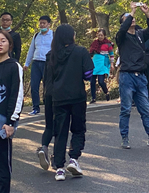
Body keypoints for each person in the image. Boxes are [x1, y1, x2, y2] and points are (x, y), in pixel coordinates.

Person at [116, 2, 149, 149]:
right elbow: (122, 29)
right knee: (126, 109)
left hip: (141, 76)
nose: (132, 19)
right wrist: (131, 12)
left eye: (132, 17)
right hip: (127, 76)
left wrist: (147, 13)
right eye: (128, 18)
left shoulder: (140, 35)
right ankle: (124, 138)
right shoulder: (121, 37)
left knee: (145, 109)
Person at [48, 24, 94, 181]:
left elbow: (49, 79)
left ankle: (59, 168)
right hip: (77, 96)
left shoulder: (51, 55)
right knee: (78, 129)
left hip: (58, 98)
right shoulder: (80, 51)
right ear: (72, 36)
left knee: (60, 132)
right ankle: (74, 159)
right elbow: (88, 74)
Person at [0, 30, 24, 193]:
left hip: (1, 123)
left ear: (10, 44)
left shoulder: (14, 66)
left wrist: (11, 122)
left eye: (3, 41)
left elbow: (17, 95)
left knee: (1, 167)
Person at [24, 15, 53, 115]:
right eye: (40, 23)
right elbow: (31, 50)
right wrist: (27, 63)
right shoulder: (36, 36)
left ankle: (48, 106)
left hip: (47, 63)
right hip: (36, 63)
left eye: (44, 23)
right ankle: (35, 107)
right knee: (34, 86)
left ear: (49, 24)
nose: (41, 25)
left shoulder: (53, 35)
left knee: (47, 86)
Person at [89, 29, 114, 103]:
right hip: (95, 62)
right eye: (99, 35)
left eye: (101, 35)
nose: (100, 37)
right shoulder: (94, 43)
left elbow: (111, 55)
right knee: (92, 81)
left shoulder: (108, 44)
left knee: (101, 81)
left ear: (104, 36)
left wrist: (112, 64)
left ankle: (106, 92)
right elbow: (90, 53)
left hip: (103, 62)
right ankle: (93, 98)